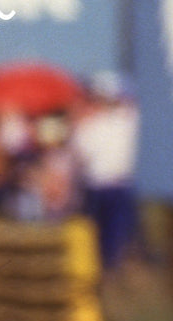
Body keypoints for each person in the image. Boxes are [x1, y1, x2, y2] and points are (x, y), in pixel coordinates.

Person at [72, 71, 140, 271]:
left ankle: (110, 273)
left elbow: (81, 154)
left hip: (114, 188)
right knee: (103, 238)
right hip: (101, 186)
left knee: (112, 238)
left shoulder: (125, 120)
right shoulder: (96, 124)